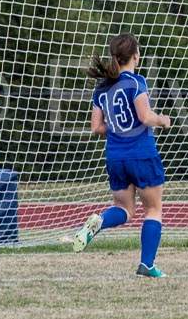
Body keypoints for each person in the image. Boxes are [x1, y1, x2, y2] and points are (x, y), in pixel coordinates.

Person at [69, 33, 171, 278]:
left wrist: (117, 128)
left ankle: (100, 222)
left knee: (124, 209)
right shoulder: (137, 82)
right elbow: (146, 117)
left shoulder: (102, 88)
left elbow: (96, 127)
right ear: (136, 56)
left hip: (115, 156)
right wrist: (163, 120)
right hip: (141, 154)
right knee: (153, 209)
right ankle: (147, 264)